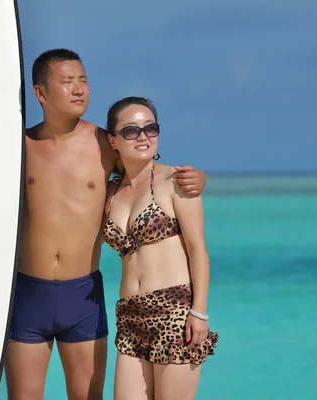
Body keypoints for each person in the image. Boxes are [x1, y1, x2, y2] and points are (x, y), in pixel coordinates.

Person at [0, 49, 208, 400]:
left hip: (83, 296)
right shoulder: (18, 146)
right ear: (40, 93)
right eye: (67, 82)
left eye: (84, 80)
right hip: (28, 292)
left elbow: (150, 169)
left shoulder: (105, 146)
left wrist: (197, 179)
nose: (79, 89)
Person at [102, 96, 218, 400]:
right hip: (129, 316)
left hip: (174, 312)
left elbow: (198, 250)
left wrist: (200, 312)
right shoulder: (110, 192)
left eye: (150, 128)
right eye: (131, 130)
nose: (143, 136)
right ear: (113, 140)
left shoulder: (177, 181)